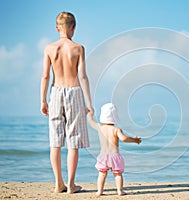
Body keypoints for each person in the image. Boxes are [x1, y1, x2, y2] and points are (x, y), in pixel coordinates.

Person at [40, 11, 93, 194]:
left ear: (57, 28)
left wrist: (43, 100)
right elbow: (83, 76)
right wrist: (89, 102)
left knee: (55, 141)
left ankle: (58, 183)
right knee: (73, 140)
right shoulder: (78, 48)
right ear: (73, 27)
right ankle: (71, 185)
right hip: (74, 92)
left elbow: (46, 76)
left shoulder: (49, 48)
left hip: (55, 92)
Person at [87, 103, 141, 196]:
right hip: (114, 156)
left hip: (103, 156)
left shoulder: (100, 127)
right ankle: (120, 191)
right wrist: (134, 140)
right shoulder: (116, 129)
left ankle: (100, 191)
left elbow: (91, 122)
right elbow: (124, 139)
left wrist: (89, 114)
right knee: (118, 174)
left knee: (102, 174)